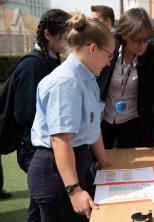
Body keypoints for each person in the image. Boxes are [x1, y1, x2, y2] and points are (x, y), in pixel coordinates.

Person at [28, 13, 113, 222]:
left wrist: (105, 163)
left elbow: (93, 128)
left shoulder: (88, 78)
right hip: (56, 175)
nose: (109, 62)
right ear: (92, 49)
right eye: (108, 55)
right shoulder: (65, 82)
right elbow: (60, 140)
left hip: (75, 168)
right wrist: (74, 190)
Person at [12, 9, 71, 221]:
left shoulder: (52, 60)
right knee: (46, 204)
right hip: (35, 149)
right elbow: (26, 115)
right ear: (48, 34)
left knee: (39, 207)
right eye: (65, 38)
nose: (68, 43)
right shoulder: (32, 65)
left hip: (44, 147)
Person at [97, 8, 154, 153]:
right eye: (136, 40)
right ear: (124, 35)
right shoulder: (108, 50)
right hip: (103, 122)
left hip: (135, 124)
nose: (142, 45)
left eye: (146, 40)